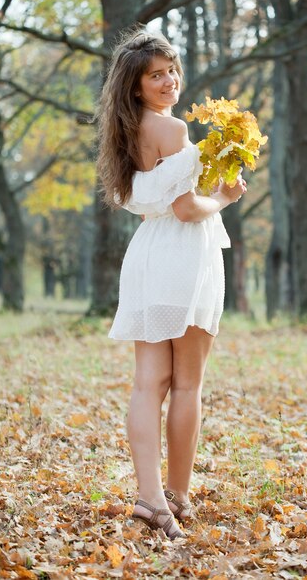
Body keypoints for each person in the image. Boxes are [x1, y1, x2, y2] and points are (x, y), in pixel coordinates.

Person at [97, 31, 246, 540]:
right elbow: (186, 210)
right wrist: (225, 197)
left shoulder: (125, 131)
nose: (169, 80)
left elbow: (159, 202)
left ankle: (150, 499)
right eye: (156, 74)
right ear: (137, 85)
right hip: (184, 256)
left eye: (172, 70)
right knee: (186, 383)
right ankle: (176, 498)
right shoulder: (174, 129)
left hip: (147, 255)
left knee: (148, 382)